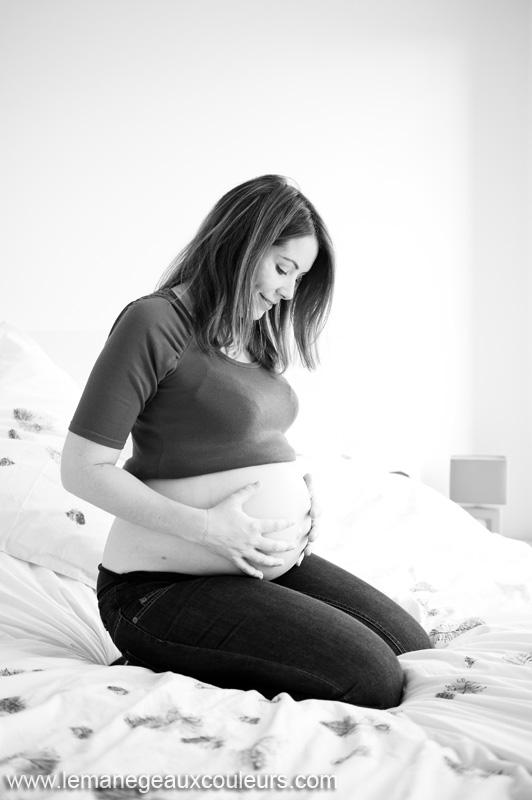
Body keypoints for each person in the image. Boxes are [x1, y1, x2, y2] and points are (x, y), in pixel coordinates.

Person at [61, 174, 431, 708]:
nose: (287, 291)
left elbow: (245, 442)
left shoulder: (251, 337)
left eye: (298, 279)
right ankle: (161, 652)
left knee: (410, 649)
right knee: (372, 679)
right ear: (241, 245)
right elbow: (82, 467)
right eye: (283, 269)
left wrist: (300, 499)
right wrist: (209, 528)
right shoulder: (155, 322)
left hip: (258, 565)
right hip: (157, 590)